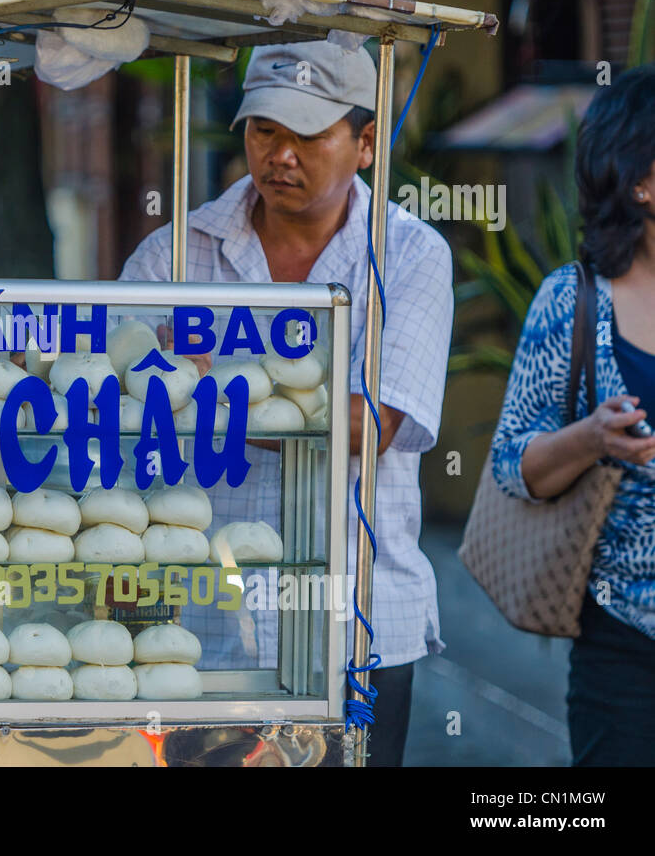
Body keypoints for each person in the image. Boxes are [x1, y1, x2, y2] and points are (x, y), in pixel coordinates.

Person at [119, 40, 453, 766]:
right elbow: (119, 415)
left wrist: (202, 392)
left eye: (308, 133)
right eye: (265, 130)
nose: (281, 154)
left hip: (352, 629)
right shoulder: (172, 258)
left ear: (366, 143)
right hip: (200, 634)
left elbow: (373, 425)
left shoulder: (408, 257)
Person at [490, 63, 655, 766]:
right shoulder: (574, 300)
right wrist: (591, 439)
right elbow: (509, 464)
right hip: (623, 643)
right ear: (641, 182)